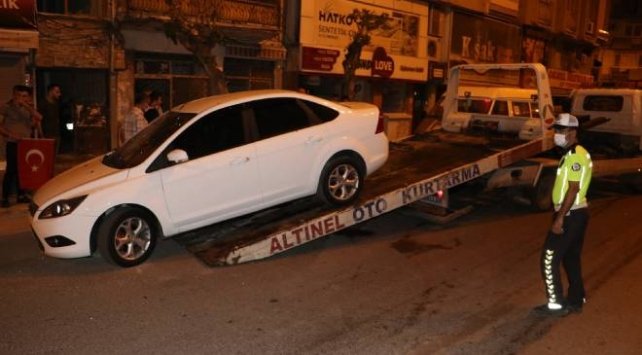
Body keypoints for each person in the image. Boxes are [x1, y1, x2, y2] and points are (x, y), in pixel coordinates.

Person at [533, 113, 593, 317]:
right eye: (556, 130)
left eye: (561, 130)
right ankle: (576, 299)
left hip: (569, 215)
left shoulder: (575, 155)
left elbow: (574, 188)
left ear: (573, 132)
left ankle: (556, 302)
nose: (557, 134)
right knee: (571, 258)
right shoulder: (574, 154)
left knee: (549, 259)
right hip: (577, 213)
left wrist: (560, 218)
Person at [0, 85, 43, 207]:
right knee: (11, 170)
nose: (21, 98)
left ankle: (21, 195)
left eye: (24, 96)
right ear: (14, 95)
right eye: (19, 95)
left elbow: (39, 117)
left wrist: (26, 106)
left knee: (22, 169)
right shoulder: (7, 107)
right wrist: (10, 134)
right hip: (12, 142)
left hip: (26, 143)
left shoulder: (29, 109)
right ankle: (5, 197)